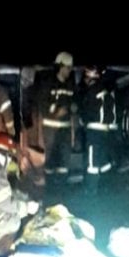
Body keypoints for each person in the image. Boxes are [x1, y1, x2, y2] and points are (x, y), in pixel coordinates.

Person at [34, 51, 76, 185]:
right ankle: (50, 193)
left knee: (63, 166)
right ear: (61, 66)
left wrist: (72, 134)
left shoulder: (70, 86)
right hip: (50, 133)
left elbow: (72, 112)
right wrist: (56, 113)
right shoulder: (48, 85)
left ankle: (62, 193)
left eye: (71, 68)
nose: (70, 71)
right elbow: (42, 109)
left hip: (64, 134)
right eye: (68, 67)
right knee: (50, 166)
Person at [78, 65, 117, 194]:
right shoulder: (107, 91)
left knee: (92, 162)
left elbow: (85, 111)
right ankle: (107, 187)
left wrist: (82, 120)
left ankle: (91, 190)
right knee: (103, 160)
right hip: (105, 132)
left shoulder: (92, 91)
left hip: (93, 131)